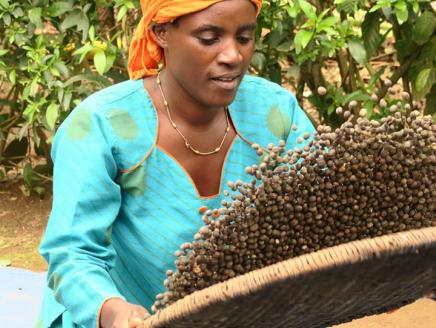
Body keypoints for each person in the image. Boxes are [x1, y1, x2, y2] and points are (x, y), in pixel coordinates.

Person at [37, 0, 315, 327]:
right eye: (209, 38)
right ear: (162, 33)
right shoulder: (102, 126)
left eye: (244, 37)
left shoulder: (274, 113)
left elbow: (322, 204)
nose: (233, 56)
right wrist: (113, 311)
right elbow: (72, 252)